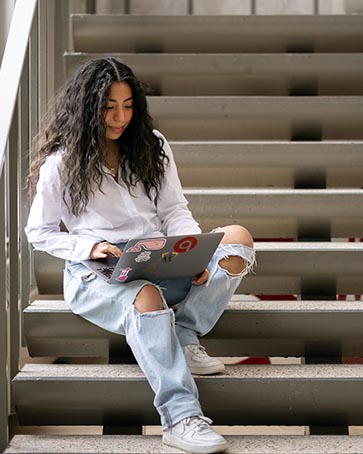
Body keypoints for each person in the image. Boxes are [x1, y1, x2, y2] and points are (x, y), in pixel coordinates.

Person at [25, 57, 255, 454]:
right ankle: (181, 418)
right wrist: (89, 247)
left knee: (237, 239)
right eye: (109, 107)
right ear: (87, 108)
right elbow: (38, 232)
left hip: (158, 259)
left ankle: (183, 333)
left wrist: (192, 252)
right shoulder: (60, 164)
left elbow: (173, 211)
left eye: (128, 105)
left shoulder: (153, 145)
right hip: (96, 273)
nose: (120, 117)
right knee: (146, 296)